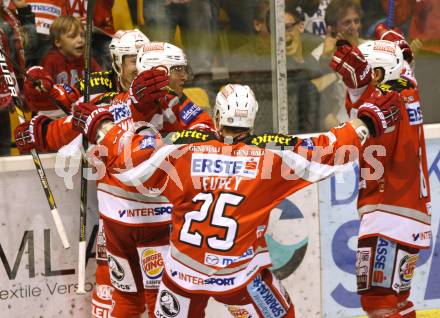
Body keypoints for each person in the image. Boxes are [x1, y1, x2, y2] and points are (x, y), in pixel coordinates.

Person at [69, 78, 401, 317]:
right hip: (240, 277)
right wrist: (365, 123)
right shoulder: (269, 160)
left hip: (183, 276)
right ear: (253, 118)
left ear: (216, 117)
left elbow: (131, 163)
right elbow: (328, 151)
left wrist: (102, 127)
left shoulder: (183, 153)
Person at [15, 40, 214, 318]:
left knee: (154, 302)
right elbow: (66, 127)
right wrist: (39, 131)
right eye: (178, 69)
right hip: (131, 225)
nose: (185, 76)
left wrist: (167, 132)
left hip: (146, 222)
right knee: (129, 301)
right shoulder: (107, 103)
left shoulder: (175, 107)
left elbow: (208, 134)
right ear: (159, 72)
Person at [330, 38, 431, 317]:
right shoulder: (408, 88)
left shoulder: (384, 98)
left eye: (366, 72)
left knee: (378, 303)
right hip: (411, 214)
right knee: (398, 299)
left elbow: (365, 120)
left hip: (388, 213)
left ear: (376, 74)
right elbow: (400, 69)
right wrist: (392, 41)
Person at [311, 0, 365, 130]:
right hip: (337, 129)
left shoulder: (370, 48)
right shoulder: (318, 56)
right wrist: (325, 61)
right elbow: (317, 103)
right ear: (332, 28)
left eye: (356, 21)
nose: (354, 27)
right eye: (347, 22)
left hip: (369, 124)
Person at [0, 0, 36, 155]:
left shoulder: (8, 16)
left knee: (4, 145)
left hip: (5, 88)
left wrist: (24, 12)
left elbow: (30, 46)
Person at [40, 15, 101, 87]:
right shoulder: (51, 61)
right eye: (73, 36)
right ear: (58, 42)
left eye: (82, 35)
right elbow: (43, 88)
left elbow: (102, 79)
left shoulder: (87, 59)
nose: (80, 40)